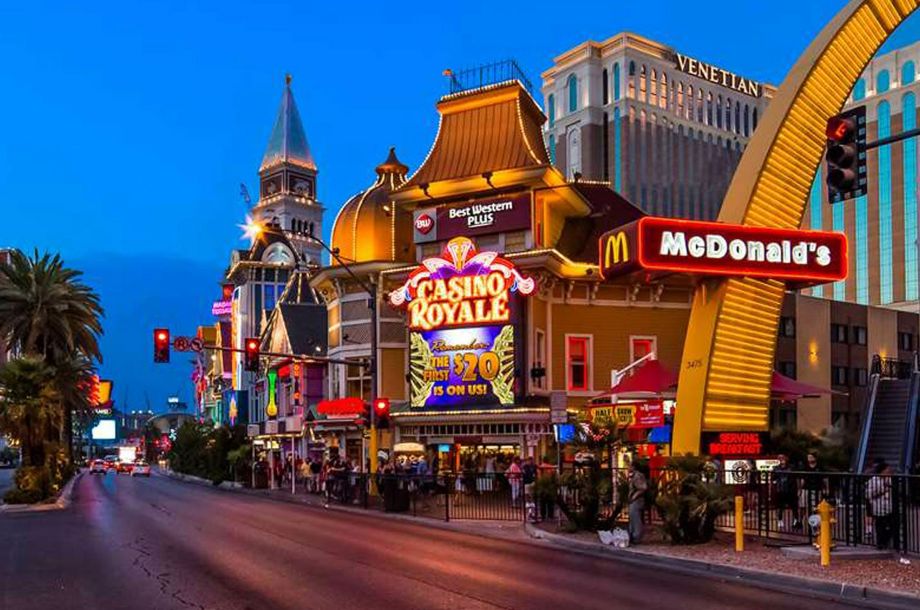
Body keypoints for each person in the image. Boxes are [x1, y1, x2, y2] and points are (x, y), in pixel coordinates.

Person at [867, 463, 895, 549]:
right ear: (882, 471)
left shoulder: (890, 479)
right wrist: (883, 490)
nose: (889, 472)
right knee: (880, 525)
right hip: (878, 506)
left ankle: (886, 541)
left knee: (892, 525)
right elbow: (869, 494)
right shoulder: (874, 480)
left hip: (889, 506)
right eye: (887, 470)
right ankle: (880, 543)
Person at [773, 454, 799, 531]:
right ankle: (780, 519)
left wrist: (798, 489)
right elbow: (773, 478)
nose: (782, 459)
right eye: (780, 458)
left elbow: (795, 478)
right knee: (780, 506)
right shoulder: (776, 468)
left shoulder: (791, 467)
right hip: (781, 489)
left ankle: (796, 519)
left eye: (783, 458)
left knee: (794, 506)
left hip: (791, 490)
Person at [628, 462, 648, 545]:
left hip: (637, 500)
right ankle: (632, 536)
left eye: (629, 466)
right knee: (633, 518)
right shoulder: (633, 476)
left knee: (636, 519)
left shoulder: (638, 476)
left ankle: (636, 537)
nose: (628, 468)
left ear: (634, 467)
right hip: (634, 500)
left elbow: (642, 488)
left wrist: (634, 497)